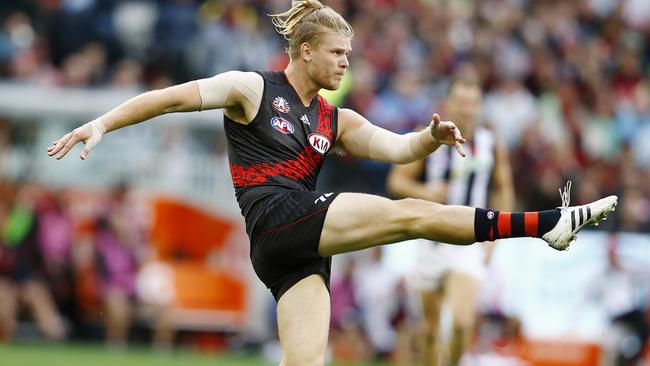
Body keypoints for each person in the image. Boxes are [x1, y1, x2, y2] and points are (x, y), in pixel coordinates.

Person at [47, 1, 617, 365]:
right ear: (304, 51)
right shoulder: (252, 88)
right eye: (337, 53)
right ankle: (548, 226)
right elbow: (171, 97)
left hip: (291, 253)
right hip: (277, 218)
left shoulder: (335, 118)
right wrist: (101, 123)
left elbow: (396, 147)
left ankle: (548, 228)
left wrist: (431, 136)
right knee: (410, 214)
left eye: (349, 54)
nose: (346, 64)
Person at [387, 74, 514, 365]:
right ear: (450, 102)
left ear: (479, 105)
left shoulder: (490, 143)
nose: (466, 108)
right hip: (430, 238)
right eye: (461, 101)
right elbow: (397, 181)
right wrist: (426, 190)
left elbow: (504, 187)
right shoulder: (429, 136)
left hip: (469, 237)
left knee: (460, 322)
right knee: (430, 331)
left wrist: (498, 235)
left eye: (472, 102)